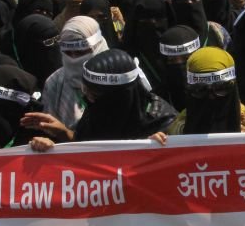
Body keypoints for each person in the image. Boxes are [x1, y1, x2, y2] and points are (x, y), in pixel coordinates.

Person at [26, 49, 177, 151]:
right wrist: (62, 135)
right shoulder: (97, 109)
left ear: (120, 97)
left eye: (95, 95)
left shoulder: (163, 122)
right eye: (86, 91)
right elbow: (89, 147)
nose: (88, 99)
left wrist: (155, 150)